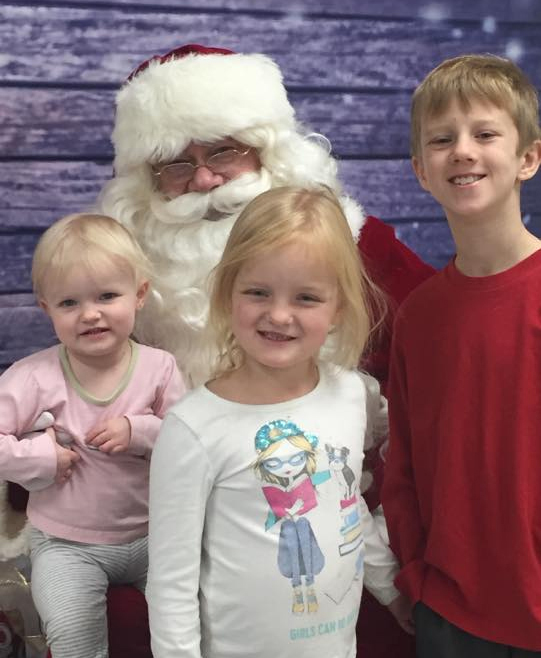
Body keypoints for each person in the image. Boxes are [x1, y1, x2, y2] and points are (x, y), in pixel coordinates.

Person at [98, 43, 435, 656]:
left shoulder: (358, 253)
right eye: (176, 164)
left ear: (268, 148)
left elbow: (442, 364)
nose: (204, 180)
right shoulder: (128, 291)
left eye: (224, 151)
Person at [146, 185, 414, 658]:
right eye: (258, 292)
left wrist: (392, 591)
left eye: (306, 297)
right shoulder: (193, 427)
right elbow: (171, 582)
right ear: (228, 293)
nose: (279, 314)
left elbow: (347, 508)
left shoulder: (352, 396)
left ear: (338, 308)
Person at [381, 53, 541, 656]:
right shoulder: (419, 316)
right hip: (451, 614)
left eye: (485, 134)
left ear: (528, 158)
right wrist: (417, 576)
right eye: (442, 139)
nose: (463, 151)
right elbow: (404, 464)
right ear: (421, 170)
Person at [0, 213, 186, 658]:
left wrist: (140, 430)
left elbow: (189, 442)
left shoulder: (160, 367)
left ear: (139, 294)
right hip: (67, 544)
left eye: (107, 296)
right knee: (72, 632)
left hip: (155, 536)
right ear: (46, 308)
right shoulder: (33, 376)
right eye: (69, 303)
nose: (90, 314)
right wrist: (41, 459)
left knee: (189, 622)